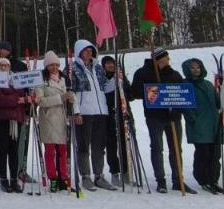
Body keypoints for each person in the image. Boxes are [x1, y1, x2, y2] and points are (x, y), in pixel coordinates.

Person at [129, 48, 194, 194]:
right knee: (157, 148)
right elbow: (136, 93)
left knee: (176, 149)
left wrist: (177, 110)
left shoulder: (174, 74)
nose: (168, 61)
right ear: (158, 59)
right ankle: (161, 181)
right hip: (154, 117)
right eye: (165, 58)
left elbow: (183, 95)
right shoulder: (142, 73)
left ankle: (178, 180)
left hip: (173, 117)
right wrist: (152, 89)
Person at [70, 40, 116, 192]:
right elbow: (71, 92)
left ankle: (99, 175)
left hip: (100, 111)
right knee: (83, 145)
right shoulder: (73, 68)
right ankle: (85, 176)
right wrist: (76, 111)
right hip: (84, 112)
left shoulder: (97, 68)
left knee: (99, 145)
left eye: (91, 50)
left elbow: (104, 88)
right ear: (79, 52)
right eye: (86, 50)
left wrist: (116, 81)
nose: (89, 53)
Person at [182, 58, 224, 194]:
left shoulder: (208, 84)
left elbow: (218, 102)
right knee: (203, 154)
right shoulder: (186, 85)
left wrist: (222, 92)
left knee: (215, 154)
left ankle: (213, 179)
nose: (196, 70)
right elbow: (185, 106)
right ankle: (203, 179)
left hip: (214, 124)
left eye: (198, 67)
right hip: (199, 125)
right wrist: (193, 119)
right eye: (193, 68)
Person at [0, 57, 32, 193]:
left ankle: (14, 179)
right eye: (0, 65)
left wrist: (25, 99)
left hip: (16, 120)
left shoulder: (16, 80)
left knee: (14, 151)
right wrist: (17, 99)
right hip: (1, 120)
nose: (3, 67)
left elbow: (23, 96)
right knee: (2, 150)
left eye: (5, 65)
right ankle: (3, 179)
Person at [38, 52, 74, 193]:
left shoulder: (65, 79)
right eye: (51, 65)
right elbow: (41, 101)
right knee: (51, 151)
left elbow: (70, 96)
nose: (54, 67)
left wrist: (72, 101)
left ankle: (64, 177)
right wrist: (61, 97)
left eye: (57, 65)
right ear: (46, 66)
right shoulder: (41, 81)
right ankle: (53, 178)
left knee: (63, 151)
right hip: (49, 118)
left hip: (63, 118)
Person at [101, 55, 132, 187]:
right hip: (108, 115)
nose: (111, 65)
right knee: (112, 144)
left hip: (122, 114)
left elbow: (129, 94)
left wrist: (123, 83)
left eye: (112, 63)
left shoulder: (120, 77)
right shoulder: (102, 79)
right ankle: (115, 172)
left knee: (124, 143)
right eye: (108, 64)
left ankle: (126, 171)